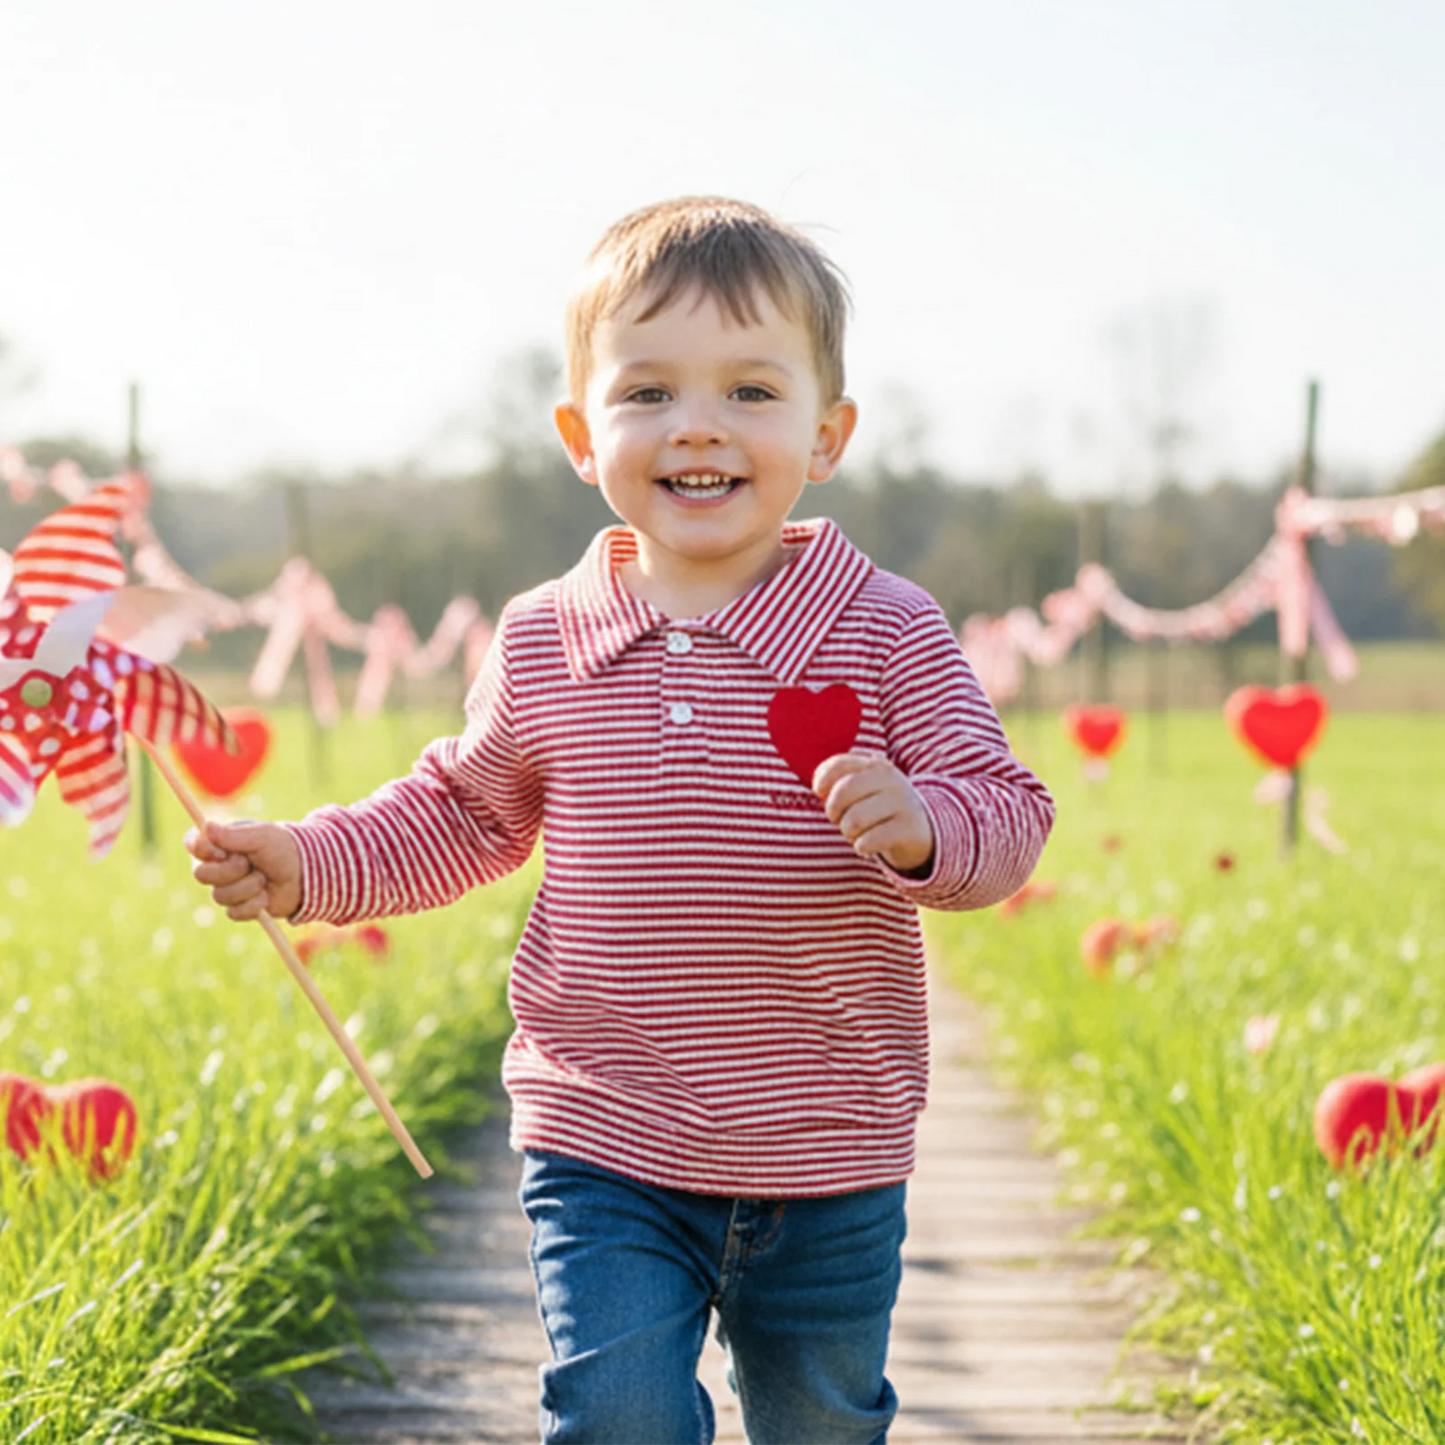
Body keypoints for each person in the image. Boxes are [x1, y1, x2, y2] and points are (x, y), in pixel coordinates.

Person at [187, 196, 1055, 1445]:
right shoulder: (547, 636)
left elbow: (1011, 815)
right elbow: (460, 810)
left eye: (750, 391)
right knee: (616, 1408)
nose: (695, 423)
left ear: (828, 431)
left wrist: (924, 824)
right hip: (602, 1123)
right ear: (579, 435)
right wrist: (309, 859)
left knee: (820, 1415)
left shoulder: (886, 627)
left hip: (826, 1132)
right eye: (646, 391)